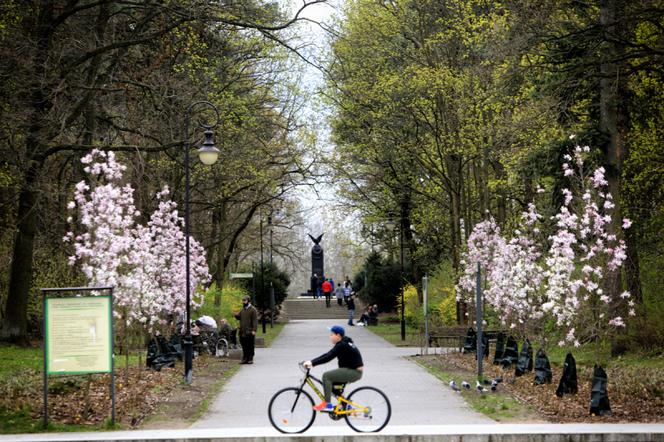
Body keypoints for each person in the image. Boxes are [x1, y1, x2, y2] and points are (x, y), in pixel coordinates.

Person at [303, 325, 363, 412]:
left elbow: (328, 357)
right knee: (329, 385)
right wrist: (311, 361)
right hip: (352, 371)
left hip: (353, 372)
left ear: (338, 335)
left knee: (326, 376)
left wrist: (312, 363)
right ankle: (346, 404)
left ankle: (327, 405)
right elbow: (328, 354)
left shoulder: (342, 345)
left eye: (332, 334)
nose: (330, 336)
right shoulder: (344, 342)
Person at [233, 295, 258, 364]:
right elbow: (239, 317)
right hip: (242, 331)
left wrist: (254, 330)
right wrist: (235, 315)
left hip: (249, 331)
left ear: (248, 301)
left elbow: (255, 321)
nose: (243, 302)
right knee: (244, 345)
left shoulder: (253, 310)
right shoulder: (243, 309)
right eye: (243, 301)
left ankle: (250, 358)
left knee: (250, 345)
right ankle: (245, 358)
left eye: (245, 301)